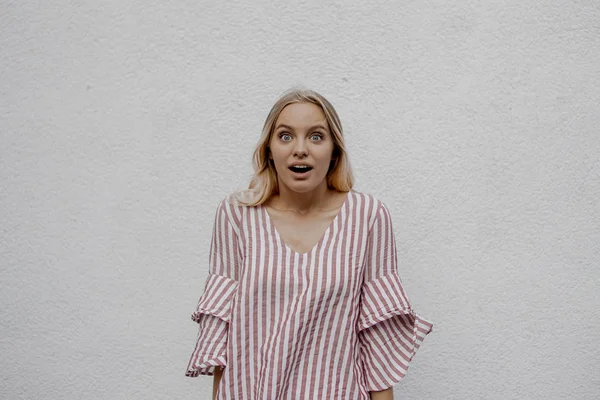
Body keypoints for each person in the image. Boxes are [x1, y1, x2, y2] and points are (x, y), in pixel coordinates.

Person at [184, 87, 433, 399]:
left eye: (316, 136)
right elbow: (223, 334)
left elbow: (377, 341)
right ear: (269, 150)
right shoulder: (236, 215)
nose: (300, 149)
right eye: (285, 136)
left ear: (334, 151)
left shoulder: (368, 217)